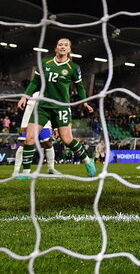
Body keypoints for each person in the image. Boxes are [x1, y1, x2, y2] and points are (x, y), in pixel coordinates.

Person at [16, 38, 96, 179]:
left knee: (67, 139)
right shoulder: (45, 63)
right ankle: (26, 173)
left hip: (61, 108)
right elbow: (35, 82)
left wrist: (84, 102)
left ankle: (87, 161)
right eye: (60, 44)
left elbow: (80, 87)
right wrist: (24, 97)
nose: (63, 47)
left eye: (66, 45)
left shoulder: (73, 67)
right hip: (42, 106)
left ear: (69, 50)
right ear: (56, 48)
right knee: (29, 138)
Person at [11, 92, 58, 176]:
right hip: (31, 121)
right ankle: (16, 170)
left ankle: (51, 168)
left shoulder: (53, 94)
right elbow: (28, 109)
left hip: (45, 122)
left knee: (47, 143)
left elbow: (54, 112)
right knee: (23, 144)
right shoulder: (36, 95)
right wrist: (24, 125)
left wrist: (55, 127)